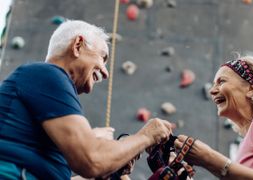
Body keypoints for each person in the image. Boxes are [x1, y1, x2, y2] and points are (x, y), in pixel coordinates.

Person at [0, 20, 173, 179]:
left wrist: (112, 164)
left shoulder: (42, 85)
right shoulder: (48, 74)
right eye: (102, 58)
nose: (105, 73)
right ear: (77, 45)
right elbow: (91, 161)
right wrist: (147, 135)